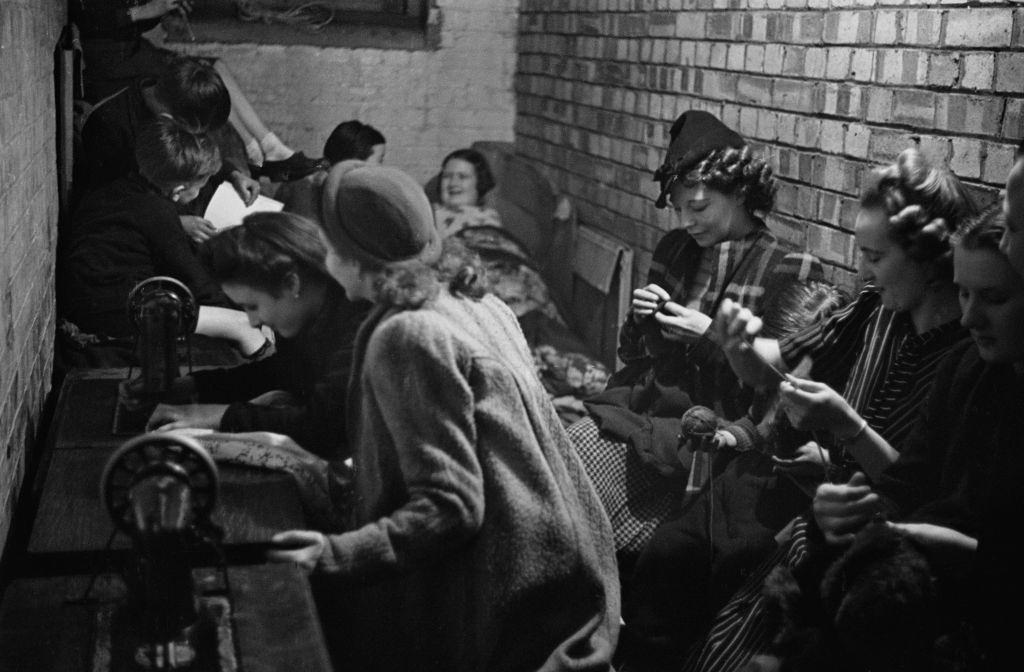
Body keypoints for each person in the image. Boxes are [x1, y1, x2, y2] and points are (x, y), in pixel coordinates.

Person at [623, 147, 976, 670]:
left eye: (875, 257)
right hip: (811, 492)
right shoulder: (871, 309)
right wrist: (743, 348)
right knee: (672, 552)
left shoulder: (961, 358)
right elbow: (781, 360)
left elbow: (919, 490)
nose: (863, 270)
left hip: (859, 538)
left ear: (927, 257)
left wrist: (843, 429)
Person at [266, 163, 620, 672]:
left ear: (352, 252)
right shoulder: (477, 300)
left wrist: (333, 554)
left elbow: (448, 506)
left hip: (503, 600)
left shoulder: (409, 334)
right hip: (559, 570)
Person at [769, 205, 1024, 671]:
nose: (970, 318)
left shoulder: (946, 355)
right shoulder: (965, 367)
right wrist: (845, 505)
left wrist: (962, 553)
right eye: (964, 294)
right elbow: (906, 484)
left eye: (994, 297)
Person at [568, 110, 824, 566]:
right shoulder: (675, 251)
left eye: (700, 207)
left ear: (742, 193)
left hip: (713, 432)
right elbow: (632, 356)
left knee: (584, 471)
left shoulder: (789, 268)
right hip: (650, 406)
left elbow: (776, 396)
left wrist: (708, 335)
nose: (687, 220)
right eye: (681, 208)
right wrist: (642, 321)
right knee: (570, 451)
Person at [143, 212, 370, 460]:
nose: (253, 321)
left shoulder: (361, 326)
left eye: (253, 306)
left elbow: (323, 427)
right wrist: (194, 386)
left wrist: (219, 415)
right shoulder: (312, 314)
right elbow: (284, 371)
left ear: (291, 284)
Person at [60, 117, 266, 358]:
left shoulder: (115, 189)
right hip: (119, 312)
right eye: (200, 186)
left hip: (88, 300)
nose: (200, 191)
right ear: (179, 190)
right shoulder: (158, 211)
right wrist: (250, 320)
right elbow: (197, 283)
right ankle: (269, 377)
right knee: (243, 326)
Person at [69, 0, 321, 181]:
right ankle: (261, 149)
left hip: (131, 50)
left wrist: (163, 14)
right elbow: (86, 15)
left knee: (215, 69)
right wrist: (142, 11)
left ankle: (263, 147)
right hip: (110, 57)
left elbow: (130, 21)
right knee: (206, 77)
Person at [77, 55, 259, 241]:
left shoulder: (164, 87)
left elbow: (194, 154)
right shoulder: (111, 127)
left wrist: (232, 174)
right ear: (170, 119)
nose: (199, 139)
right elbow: (105, 205)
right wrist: (175, 222)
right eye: (196, 133)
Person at [277, 120, 387, 221]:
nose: (380, 167)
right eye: (380, 160)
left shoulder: (302, 178)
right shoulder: (313, 190)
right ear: (355, 161)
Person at [432, 147, 503, 237]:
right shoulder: (428, 212)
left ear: (479, 182)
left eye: (462, 177)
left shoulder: (485, 219)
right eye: (447, 176)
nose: (453, 183)